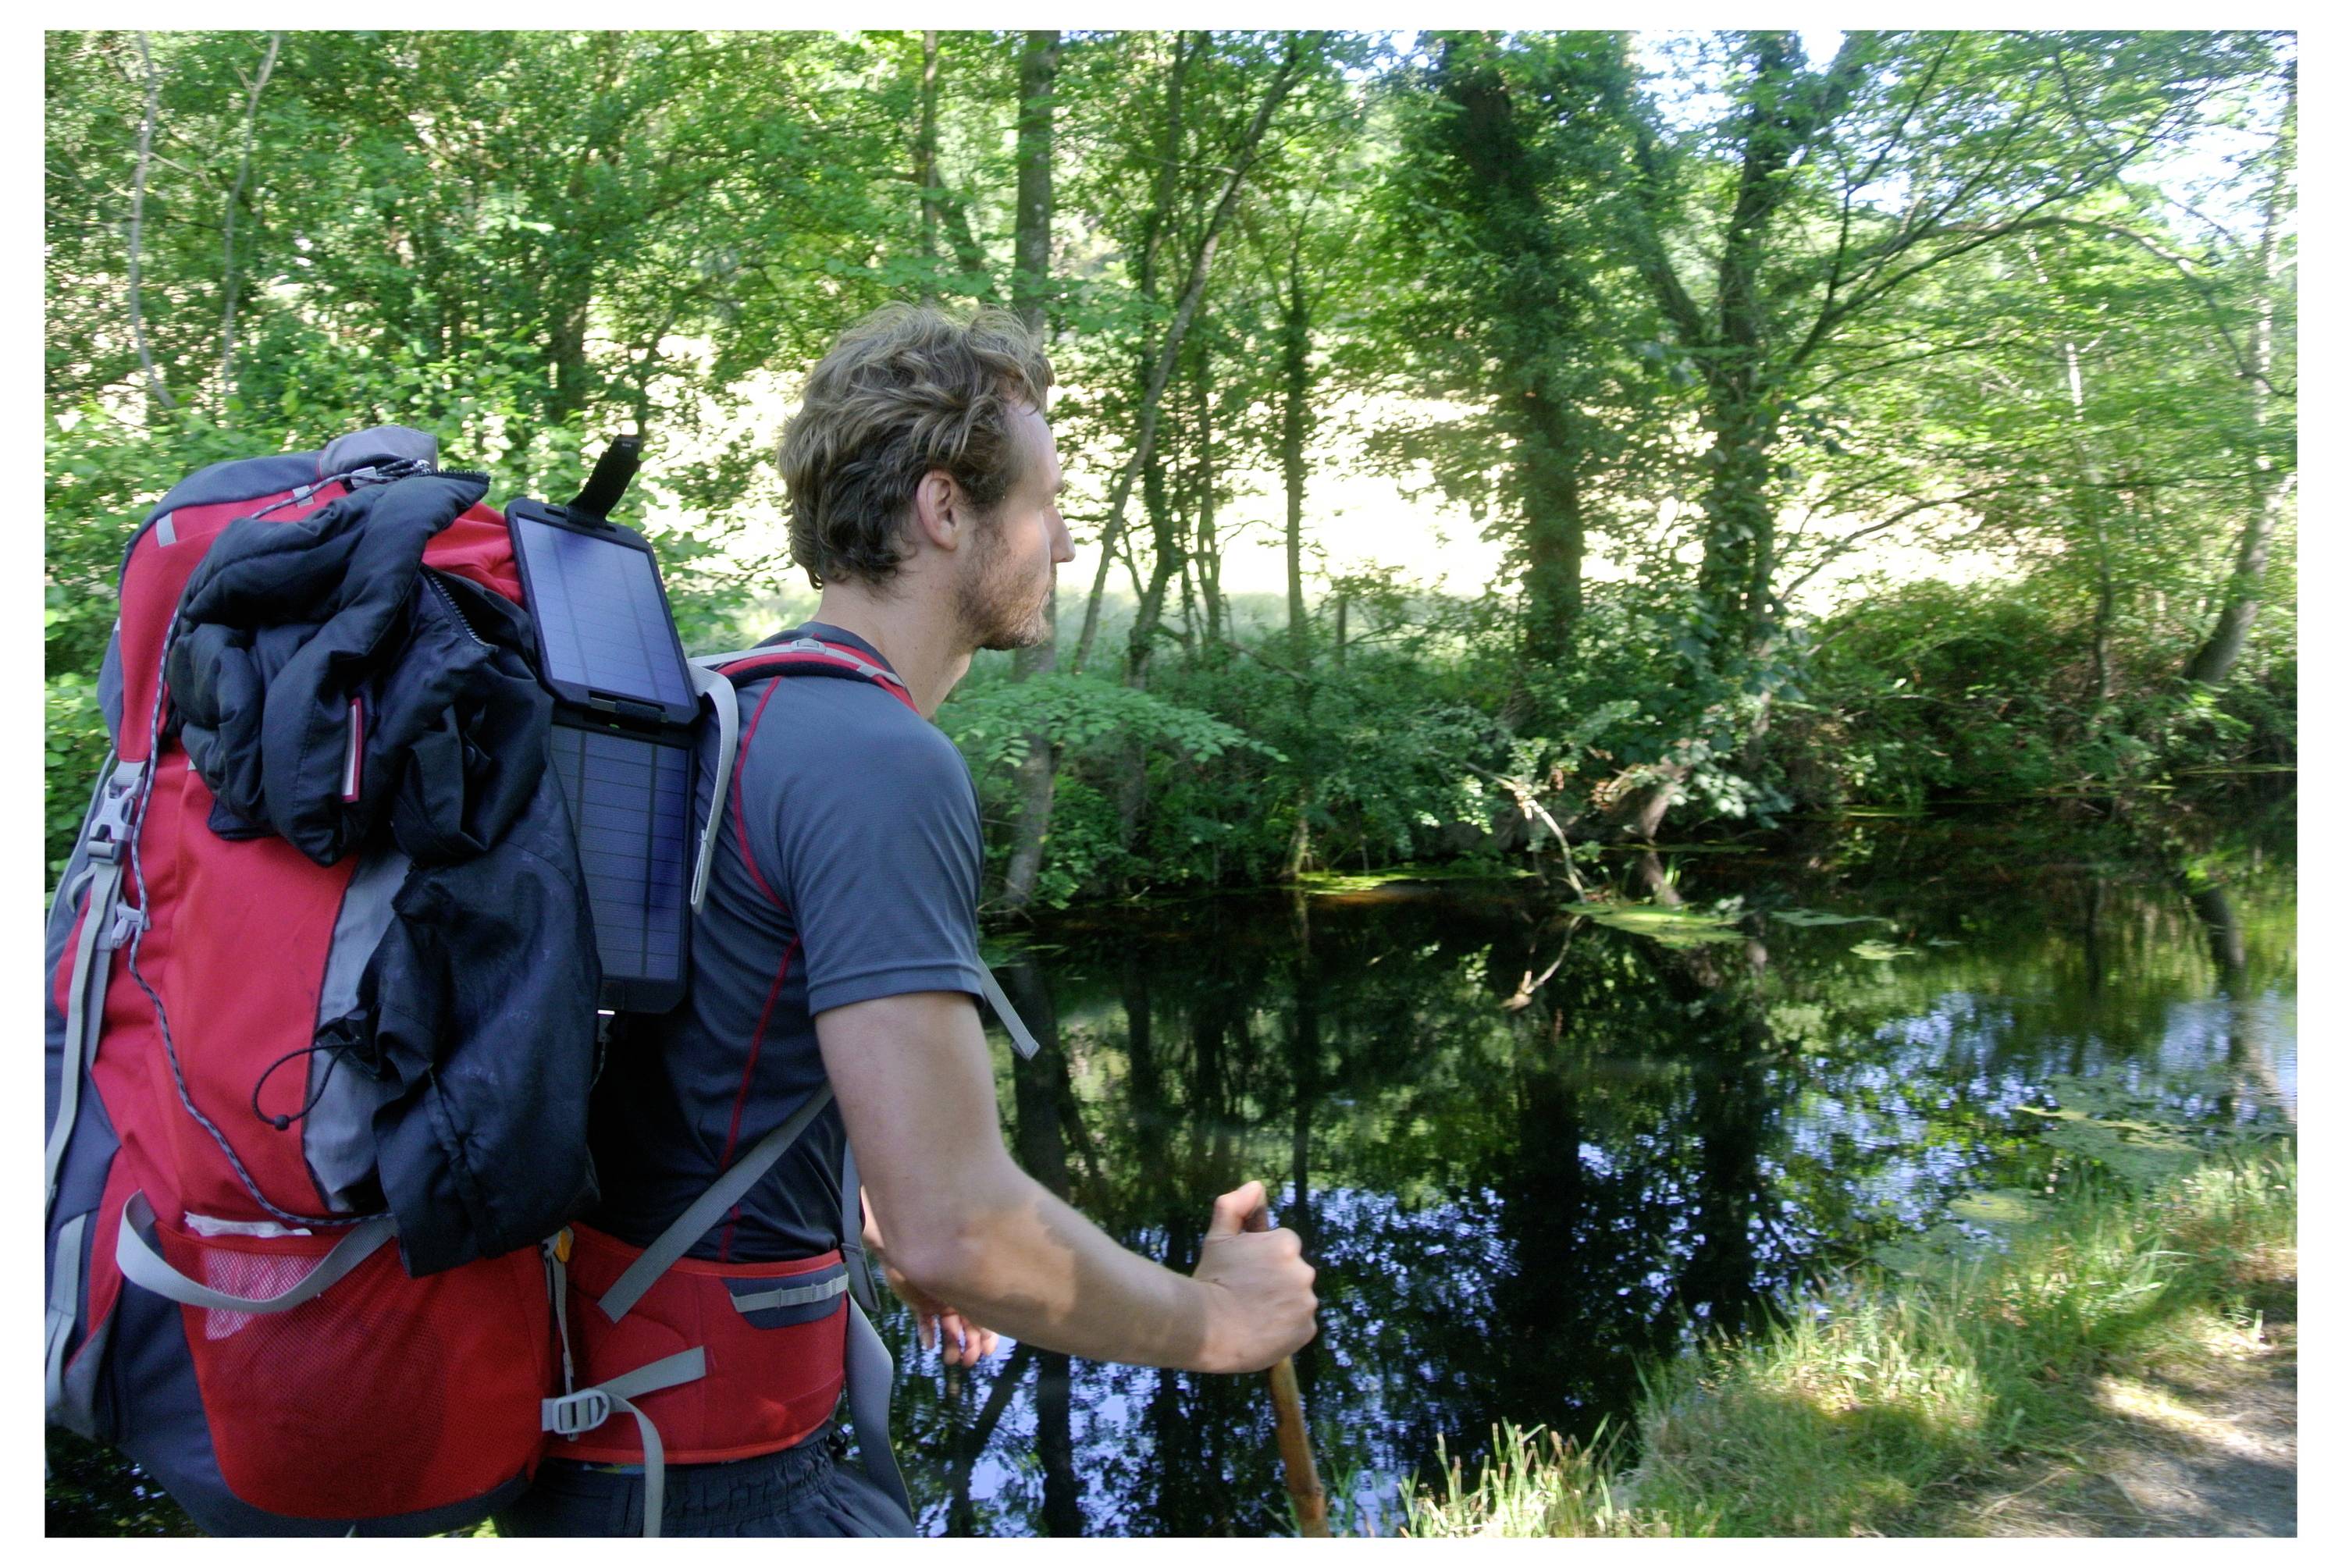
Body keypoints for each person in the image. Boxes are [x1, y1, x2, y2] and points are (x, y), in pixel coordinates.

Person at [496, 304, 1319, 1538]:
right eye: (1045, 501)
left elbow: (717, 1040)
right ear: (946, 510)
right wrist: (1221, 1323)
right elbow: (960, 1233)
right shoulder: (883, 760)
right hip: (728, 1492)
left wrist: (872, 1196)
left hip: (605, 1454)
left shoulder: (723, 707)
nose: (1066, 536)